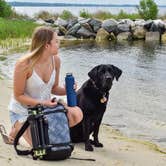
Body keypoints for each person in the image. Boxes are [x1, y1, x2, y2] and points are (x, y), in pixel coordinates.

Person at [0, 26, 83, 146]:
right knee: (40, 146)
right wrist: (43, 103)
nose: (58, 44)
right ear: (46, 45)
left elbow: (54, 88)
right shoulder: (23, 64)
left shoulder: (56, 61)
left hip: (44, 109)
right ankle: (16, 129)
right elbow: (18, 96)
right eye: (56, 41)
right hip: (23, 111)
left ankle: (43, 128)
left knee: (76, 113)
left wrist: (67, 90)